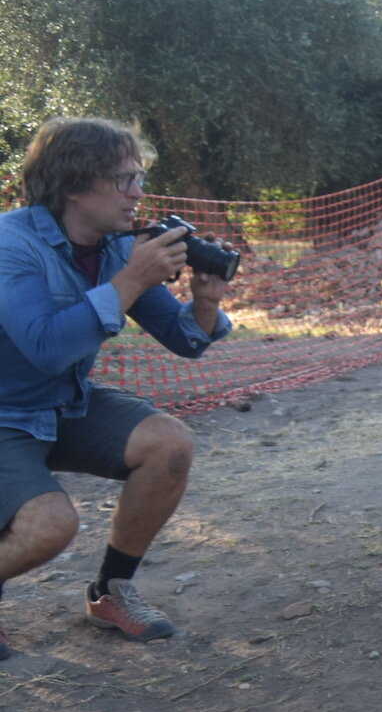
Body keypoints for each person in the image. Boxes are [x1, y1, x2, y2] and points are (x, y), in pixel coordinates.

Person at [0, 117, 230, 660]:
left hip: (62, 403)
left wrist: (206, 300)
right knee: (52, 527)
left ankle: (110, 592)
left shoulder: (112, 247)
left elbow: (185, 341)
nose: (137, 194)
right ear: (75, 184)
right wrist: (131, 279)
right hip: (5, 414)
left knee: (168, 443)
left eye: (139, 179)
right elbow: (47, 347)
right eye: (123, 180)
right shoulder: (11, 244)